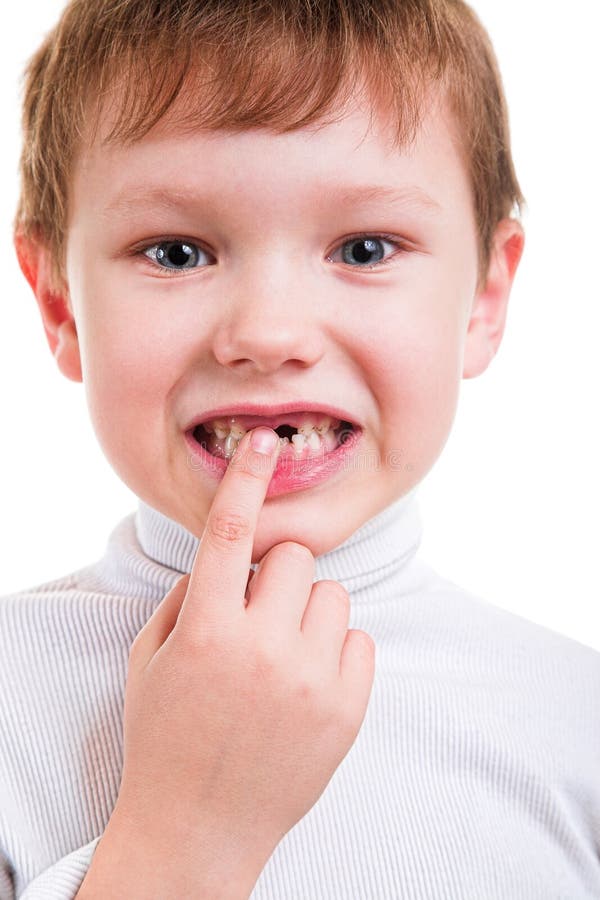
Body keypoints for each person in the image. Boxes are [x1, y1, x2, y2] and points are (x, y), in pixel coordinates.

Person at [1, 0, 598, 897]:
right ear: (60, 306)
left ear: (484, 298)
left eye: (364, 247)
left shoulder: (574, 719)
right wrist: (187, 835)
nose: (269, 333)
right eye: (174, 252)